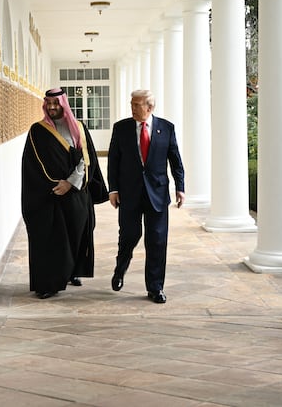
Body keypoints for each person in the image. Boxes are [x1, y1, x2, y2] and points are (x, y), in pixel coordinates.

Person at [21, 88, 108, 299]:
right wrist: (55, 184)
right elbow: (33, 165)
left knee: (77, 233)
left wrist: (70, 183)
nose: (51, 107)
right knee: (52, 238)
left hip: (75, 192)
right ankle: (49, 284)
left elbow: (87, 160)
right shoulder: (37, 131)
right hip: (50, 195)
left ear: (63, 104)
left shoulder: (78, 128)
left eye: (56, 103)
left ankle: (72, 272)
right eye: (48, 103)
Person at [108, 89, 185, 304]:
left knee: (157, 242)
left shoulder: (166, 128)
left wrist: (180, 187)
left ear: (150, 107)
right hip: (129, 194)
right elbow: (114, 160)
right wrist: (113, 189)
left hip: (157, 194)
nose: (132, 108)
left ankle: (155, 288)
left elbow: (175, 160)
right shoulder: (121, 128)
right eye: (131, 104)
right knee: (129, 236)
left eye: (136, 105)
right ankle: (120, 269)